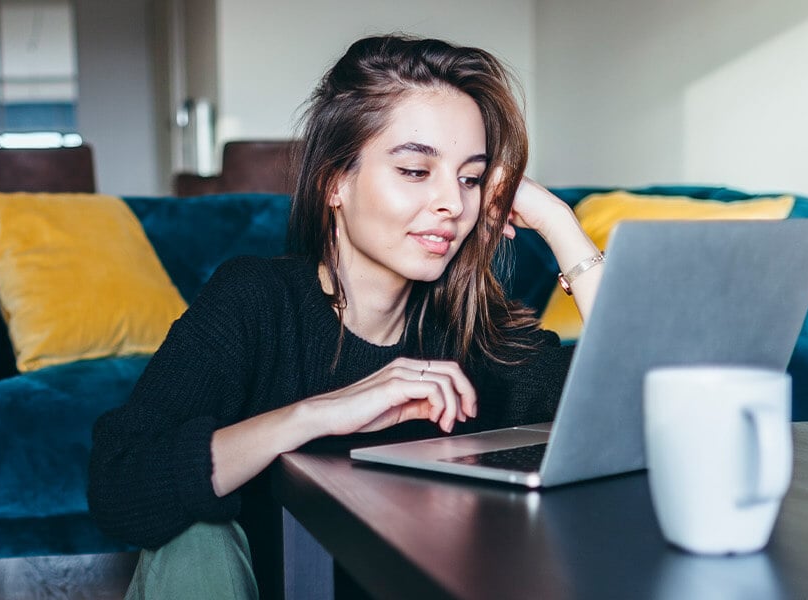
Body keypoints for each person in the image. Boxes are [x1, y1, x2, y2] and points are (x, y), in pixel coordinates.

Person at [88, 34, 607, 600]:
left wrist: (560, 224)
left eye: (470, 177)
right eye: (415, 170)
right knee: (192, 536)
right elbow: (121, 485)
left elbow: (639, 404)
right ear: (334, 180)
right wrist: (315, 416)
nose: (453, 205)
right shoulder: (256, 301)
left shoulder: (474, 332)